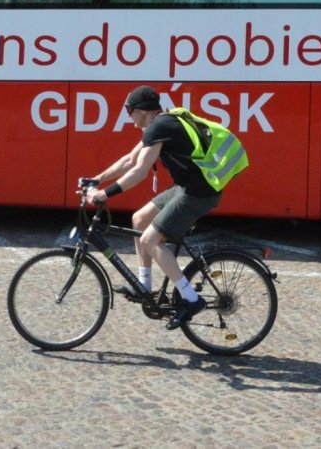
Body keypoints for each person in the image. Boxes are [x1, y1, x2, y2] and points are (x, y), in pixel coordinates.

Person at [81, 85, 223, 329]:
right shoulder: (158, 124)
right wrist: (97, 179)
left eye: (130, 111)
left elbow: (140, 171)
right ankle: (144, 286)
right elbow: (129, 160)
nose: (129, 117)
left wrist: (105, 194)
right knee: (139, 219)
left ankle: (191, 299)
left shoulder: (161, 127)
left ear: (142, 111)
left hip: (198, 194)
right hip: (185, 188)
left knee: (150, 240)